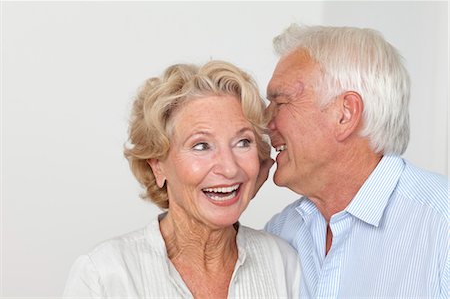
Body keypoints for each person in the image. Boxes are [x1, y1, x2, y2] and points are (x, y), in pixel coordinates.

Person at [63, 60, 300, 298]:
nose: (229, 168)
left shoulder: (283, 263)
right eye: (201, 145)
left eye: (243, 142)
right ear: (157, 166)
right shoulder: (104, 275)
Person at [263, 24, 449, 298]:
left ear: (345, 114)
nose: (265, 123)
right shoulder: (280, 233)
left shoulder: (442, 223)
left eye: (280, 103)